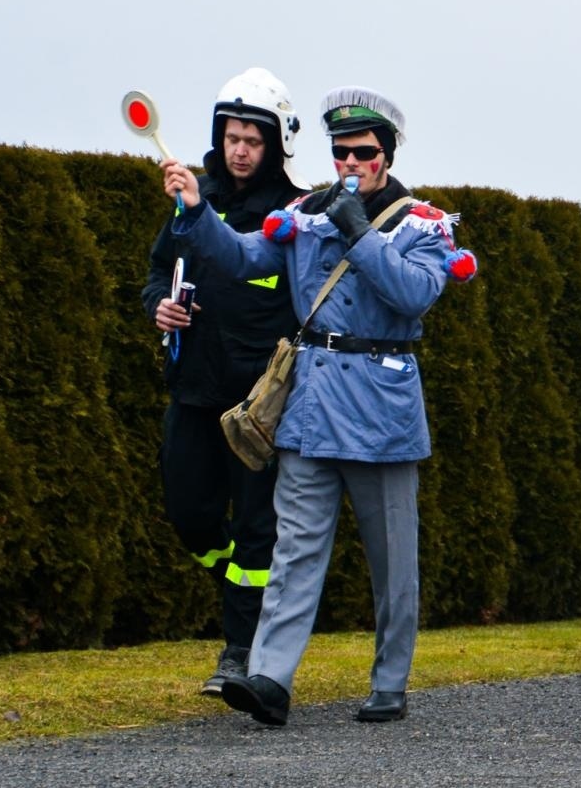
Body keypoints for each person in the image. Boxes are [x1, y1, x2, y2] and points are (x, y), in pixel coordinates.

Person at [159, 86, 476, 726]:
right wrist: (197, 213)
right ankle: (269, 679)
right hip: (310, 403)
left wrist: (358, 231)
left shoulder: (424, 224)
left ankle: (390, 680)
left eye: (362, 153)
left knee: (392, 560)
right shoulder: (303, 213)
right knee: (295, 550)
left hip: (381, 407)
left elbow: (413, 295)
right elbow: (247, 257)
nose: (350, 165)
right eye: (340, 154)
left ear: (385, 155)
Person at [140, 68, 308, 695]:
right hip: (191, 389)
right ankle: (238, 589)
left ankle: (240, 652)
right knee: (189, 514)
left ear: (275, 145)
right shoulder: (194, 196)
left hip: (259, 404)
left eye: (252, 140)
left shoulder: (296, 212)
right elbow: (159, 272)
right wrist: (158, 304)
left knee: (258, 528)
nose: (239, 149)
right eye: (231, 137)